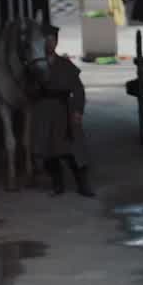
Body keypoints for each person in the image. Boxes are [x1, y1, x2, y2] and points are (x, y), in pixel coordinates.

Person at [29, 23, 93, 198]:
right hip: (44, 111)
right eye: (47, 40)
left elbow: (78, 90)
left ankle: (83, 185)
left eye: (53, 40)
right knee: (48, 151)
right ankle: (57, 184)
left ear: (56, 42)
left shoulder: (65, 64)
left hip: (64, 111)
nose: (50, 43)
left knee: (75, 150)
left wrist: (78, 110)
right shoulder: (35, 66)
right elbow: (29, 91)